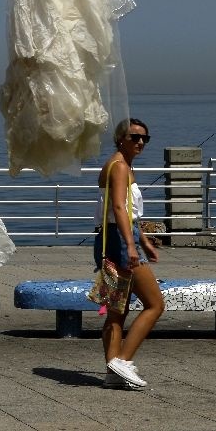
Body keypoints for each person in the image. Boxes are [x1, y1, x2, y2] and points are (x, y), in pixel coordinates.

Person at [96, 118, 163, 389]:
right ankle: (123, 361)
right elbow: (120, 208)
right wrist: (132, 245)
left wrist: (143, 240)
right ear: (120, 137)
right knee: (155, 304)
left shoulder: (115, 163)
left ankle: (113, 374)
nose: (140, 142)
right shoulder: (120, 167)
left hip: (110, 238)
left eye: (144, 139)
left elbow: (125, 212)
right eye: (134, 137)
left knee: (117, 311)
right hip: (121, 240)